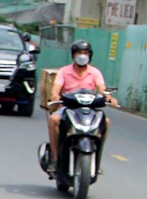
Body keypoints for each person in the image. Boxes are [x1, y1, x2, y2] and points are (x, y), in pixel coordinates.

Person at [40, 40, 118, 174]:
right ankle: (55, 158)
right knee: (54, 120)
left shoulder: (95, 72)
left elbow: (102, 88)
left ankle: (96, 159)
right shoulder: (64, 71)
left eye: (85, 53)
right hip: (68, 107)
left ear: (90, 55)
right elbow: (56, 88)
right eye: (79, 53)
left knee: (106, 122)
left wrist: (109, 97)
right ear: (74, 55)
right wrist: (54, 95)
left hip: (89, 109)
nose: (82, 56)